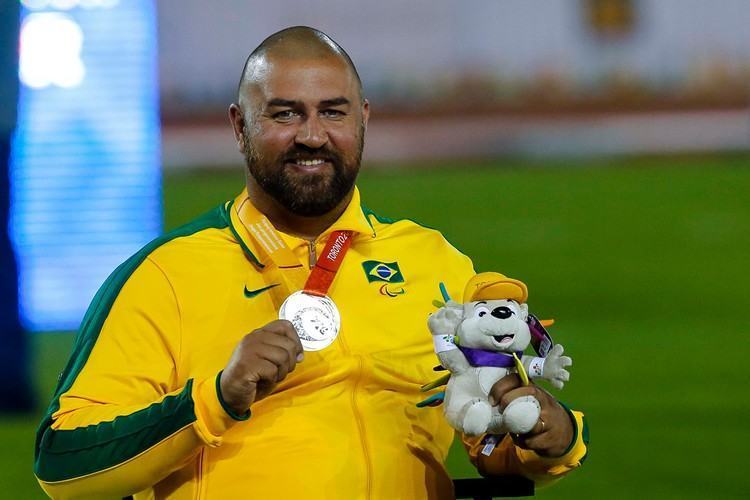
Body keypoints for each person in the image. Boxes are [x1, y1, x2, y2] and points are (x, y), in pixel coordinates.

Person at [34, 26, 587, 499]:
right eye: (284, 113)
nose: (312, 135)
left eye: (332, 112)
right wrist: (216, 396)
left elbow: (492, 443)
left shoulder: (431, 260)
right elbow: (62, 464)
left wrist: (553, 435)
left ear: (362, 119)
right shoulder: (167, 274)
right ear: (238, 125)